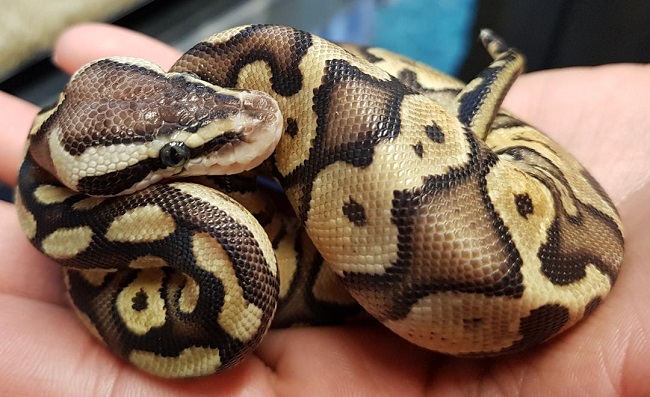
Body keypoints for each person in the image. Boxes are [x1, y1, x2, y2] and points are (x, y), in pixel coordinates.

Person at [0, 23, 648, 396]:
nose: (254, 115)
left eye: (186, 89)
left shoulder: (246, 74)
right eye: (174, 153)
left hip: (535, 224)